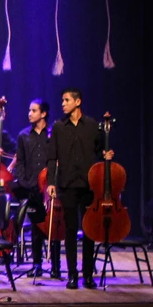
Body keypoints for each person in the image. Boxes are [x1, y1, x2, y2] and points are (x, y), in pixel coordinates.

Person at [46, 88, 113, 290]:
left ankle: (88, 275)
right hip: (67, 185)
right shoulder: (58, 127)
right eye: (62, 100)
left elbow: (100, 150)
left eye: (66, 100)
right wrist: (51, 182)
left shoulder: (92, 125)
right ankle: (72, 275)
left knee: (89, 231)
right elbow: (52, 157)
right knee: (70, 231)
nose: (63, 104)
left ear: (78, 102)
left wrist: (106, 155)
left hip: (88, 185)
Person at [9, 99, 61, 279]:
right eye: (29, 110)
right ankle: (36, 265)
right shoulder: (23, 135)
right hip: (31, 187)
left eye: (33, 110)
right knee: (36, 226)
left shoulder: (53, 134)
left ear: (43, 114)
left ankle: (56, 266)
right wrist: (25, 181)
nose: (29, 113)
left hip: (50, 187)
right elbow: (20, 162)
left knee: (53, 226)